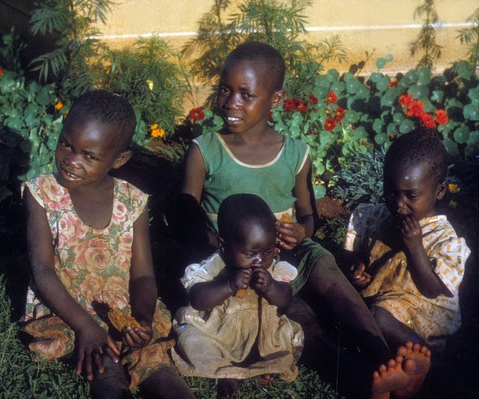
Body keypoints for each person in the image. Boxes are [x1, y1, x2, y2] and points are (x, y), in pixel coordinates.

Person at [179, 41, 392, 372]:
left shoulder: (295, 153)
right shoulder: (205, 150)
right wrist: (216, 244)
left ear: (275, 100)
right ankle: (358, 374)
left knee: (327, 272)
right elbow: (186, 215)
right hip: (231, 260)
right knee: (295, 317)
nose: (231, 102)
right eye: (225, 90)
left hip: (287, 252)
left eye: (245, 95)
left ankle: (381, 353)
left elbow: (309, 216)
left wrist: (301, 232)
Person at [21, 90, 195, 399]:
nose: (71, 160)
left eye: (89, 156)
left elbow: (143, 275)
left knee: (157, 363)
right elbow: (43, 271)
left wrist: (141, 316)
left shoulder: (133, 201)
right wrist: (86, 327)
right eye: (66, 144)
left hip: (122, 306)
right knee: (104, 364)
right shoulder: (43, 194)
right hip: (68, 308)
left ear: (119, 159)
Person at [344, 127, 470, 397]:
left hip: (423, 318)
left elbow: (432, 289)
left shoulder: (443, 238)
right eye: (391, 191)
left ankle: (423, 360)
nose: (398, 203)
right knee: (367, 315)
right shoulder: (376, 217)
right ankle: (403, 374)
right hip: (383, 301)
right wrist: (357, 266)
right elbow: (356, 250)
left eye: (410, 196)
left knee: (377, 316)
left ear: (438, 191)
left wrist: (415, 246)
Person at [171, 193, 304, 398]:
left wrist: (270, 287)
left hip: (260, 332)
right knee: (194, 341)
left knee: (279, 346)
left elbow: (285, 298)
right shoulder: (214, 265)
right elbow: (197, 299)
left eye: (268, 252)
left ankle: (262, 364)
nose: (260, 260)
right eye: (251, 254)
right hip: (218, 332)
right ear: (224, 245)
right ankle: (229, 374)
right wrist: (229, 285)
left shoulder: (273, 269)